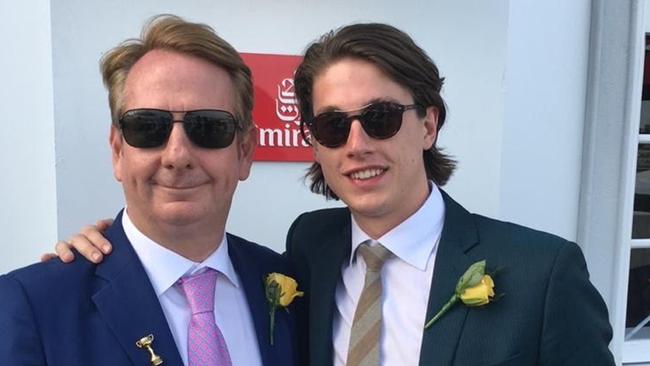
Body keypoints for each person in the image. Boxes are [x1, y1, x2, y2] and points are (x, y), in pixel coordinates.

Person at [52, 23, 615, 365]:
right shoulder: (308, 252)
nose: (357, 144)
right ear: (315, 145)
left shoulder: (543, 272)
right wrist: (106, 253)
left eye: (381, 117)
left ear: (429, 124)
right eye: (332, 126)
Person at [0, 15, 296, 366]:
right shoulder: (31, 305)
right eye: (148, 127)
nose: (177, 155)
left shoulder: (291, 283)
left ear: (244, 152)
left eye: (208, 127)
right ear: (117, 152)